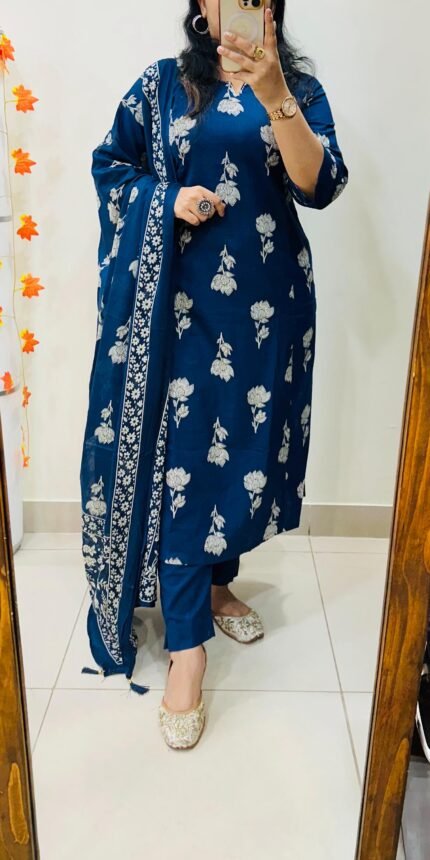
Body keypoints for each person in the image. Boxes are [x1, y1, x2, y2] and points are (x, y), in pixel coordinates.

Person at [80, 0, 349, 751]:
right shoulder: (161, 86)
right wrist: (168, 200)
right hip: (176, 311)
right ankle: (187, 645)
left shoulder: (297, 88)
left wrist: (275, 94)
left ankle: (218, 584)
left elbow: (319, 185)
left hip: (267, 311)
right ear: (200, 7)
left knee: (241, 457)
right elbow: (112, 167)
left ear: (272, 7)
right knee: (186, 466)